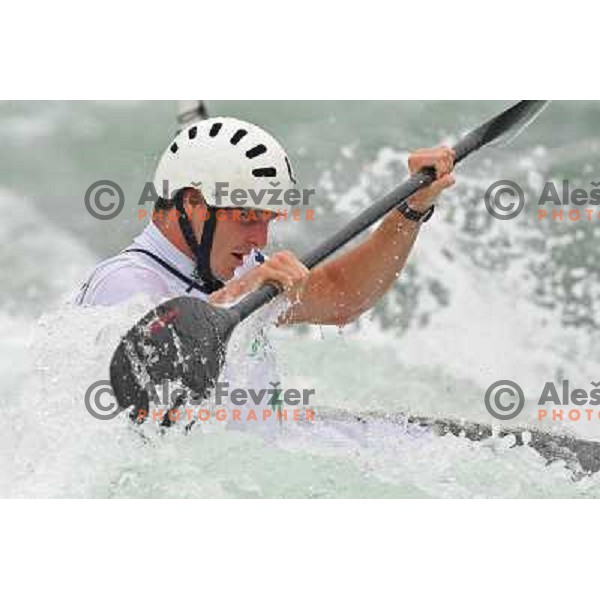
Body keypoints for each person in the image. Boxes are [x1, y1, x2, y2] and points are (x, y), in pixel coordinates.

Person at [75, 116, 455, 423]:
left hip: (272, 442)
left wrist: (412, 209)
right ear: (192, 203)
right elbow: (141, 414)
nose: (260, 238)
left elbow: (343, 297)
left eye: (269, 219)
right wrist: (243, 293)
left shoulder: (235, 269)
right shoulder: (122, 283)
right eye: (247, 218)